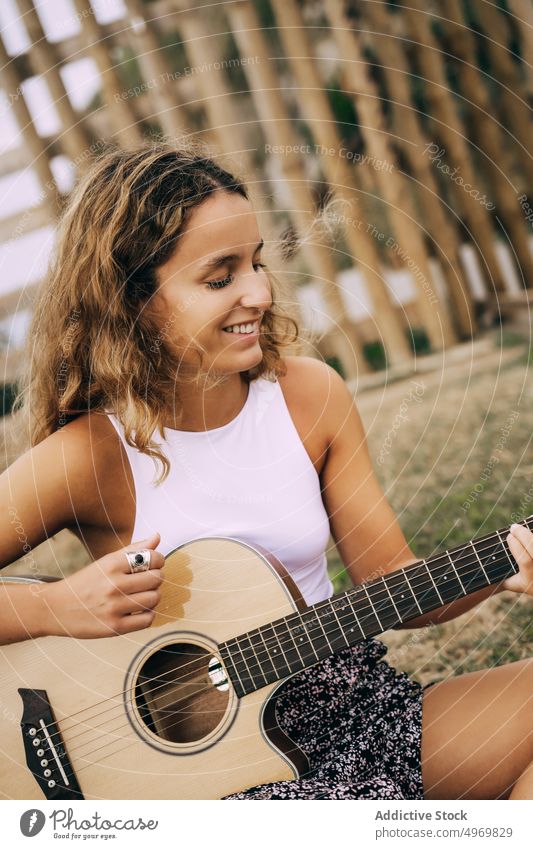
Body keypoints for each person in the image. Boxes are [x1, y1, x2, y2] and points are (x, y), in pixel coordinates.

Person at [1, 140, 532, 800]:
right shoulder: (91, 455)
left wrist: (507, 565)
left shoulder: (311, 397)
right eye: (219, 277)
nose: (258, 290)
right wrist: (57, 605)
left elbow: (393, 582)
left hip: (353, 707)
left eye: (255, 261)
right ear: (132, 301)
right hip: (214, 788)